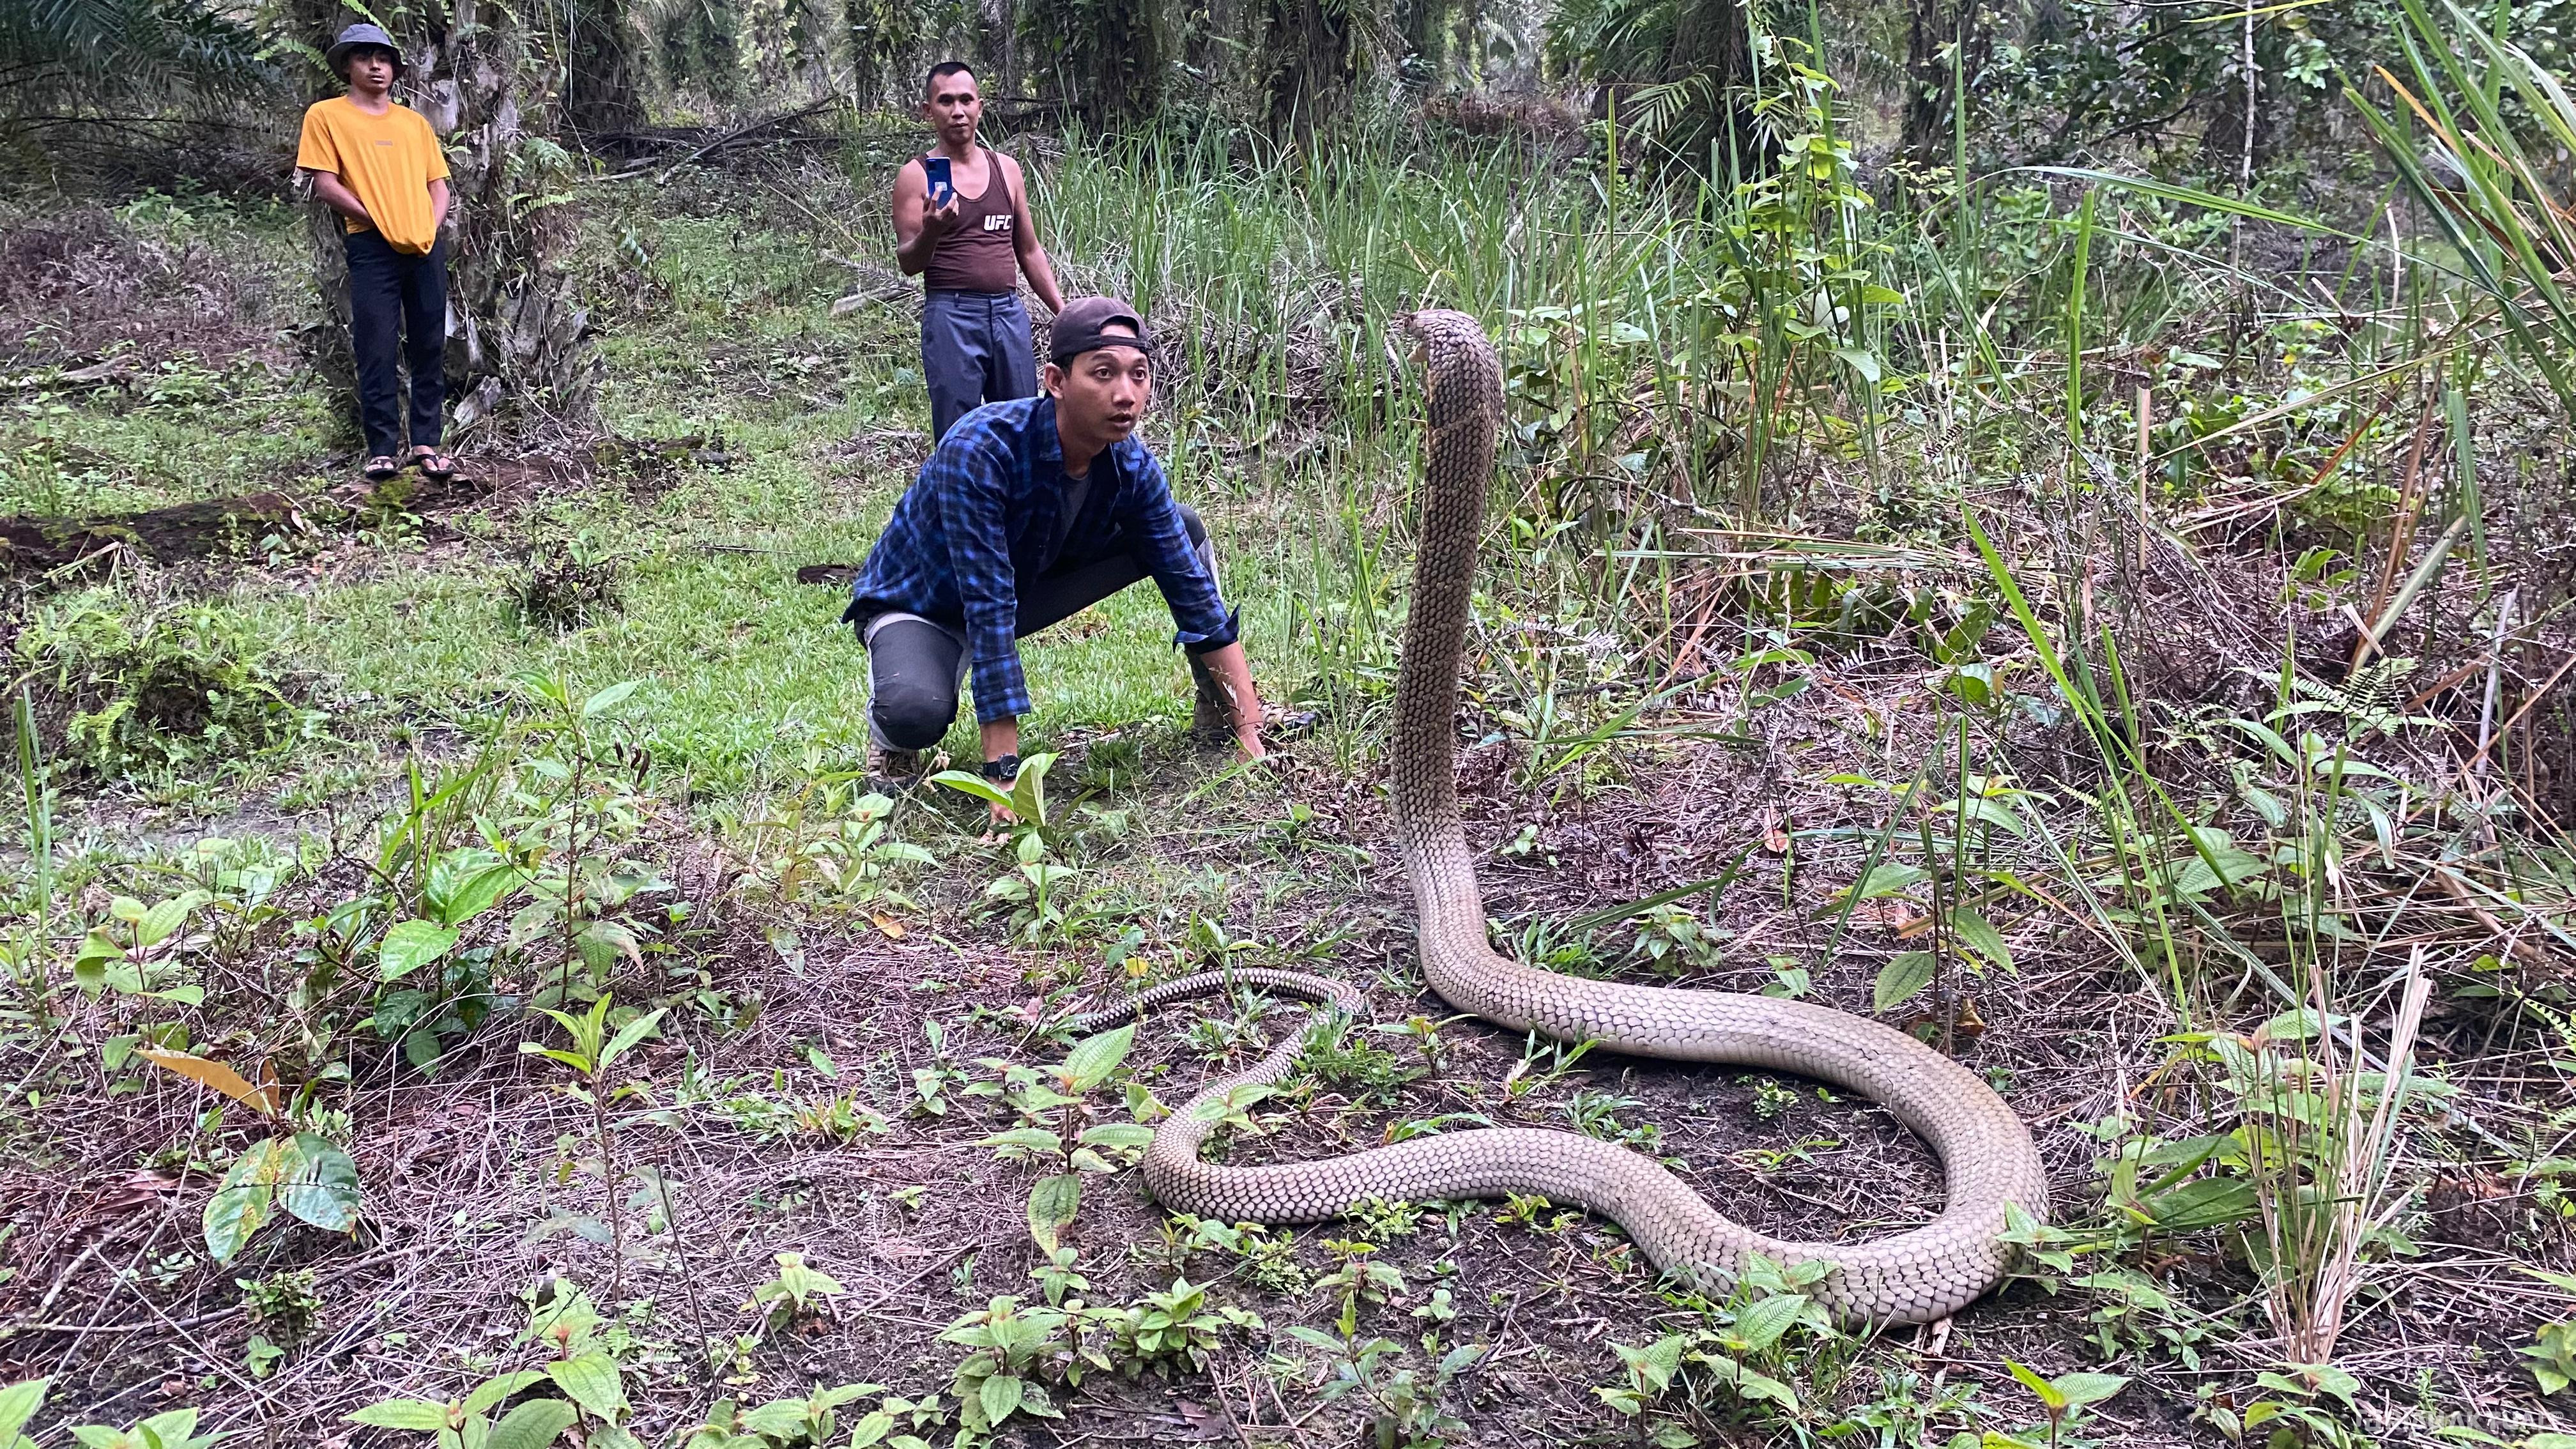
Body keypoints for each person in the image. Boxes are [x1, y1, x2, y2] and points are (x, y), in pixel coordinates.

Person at [843, 298, 1266, 799]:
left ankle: (1221, 705)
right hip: (922, 606)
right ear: (1056, 381)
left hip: (1025, 582)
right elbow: (988, 602)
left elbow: (1191, 588)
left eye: (1139, 375)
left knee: (1182, 528)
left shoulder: (1131, 466)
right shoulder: (981, 449)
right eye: (1103, 374)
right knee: (914, 712)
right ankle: (892, 738)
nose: (1125, 395)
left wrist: (1249, 729)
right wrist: (1005, 777)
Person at [295, 22, 457, 483]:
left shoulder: (413, 123)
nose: (375, 66)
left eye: (383, 59)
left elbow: (439, 187)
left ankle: (426, 442)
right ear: (347, 66)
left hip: (423, 244)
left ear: (394, 68)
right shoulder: (326, 117)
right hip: (370, 244)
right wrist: (378, 219)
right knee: (377, 345)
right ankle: (383, 449)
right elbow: (325, 184)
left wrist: (427, 226)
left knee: (429, 342)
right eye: (365, 58)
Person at [891, 60, 1067, 442]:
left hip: (1007, 312)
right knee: (958, 436)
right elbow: (909, 261)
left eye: (966, 100)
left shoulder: (1007, 170)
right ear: (928, 111)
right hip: (951, 314)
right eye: (946, 101)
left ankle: (1017, 503)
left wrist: (1063, 311)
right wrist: (932, 231)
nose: (958, 111)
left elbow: (1030, 250)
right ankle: (958, 501)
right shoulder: (917, 176)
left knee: (1023, 427)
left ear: (980, 106)